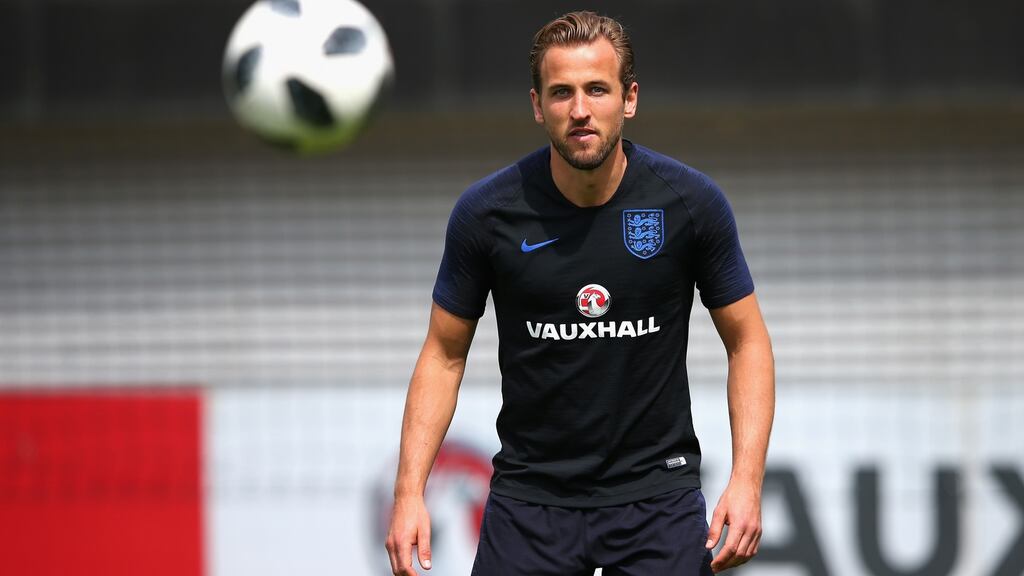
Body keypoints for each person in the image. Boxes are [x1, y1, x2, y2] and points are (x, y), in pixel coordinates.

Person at [385, 10, 774, 576]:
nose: (581, 110)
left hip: (656, 498)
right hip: (530, 501)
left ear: (629, 98)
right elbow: (444, 354)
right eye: (562, 93)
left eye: (597, 89)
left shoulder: (690, 203)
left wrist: (746, 480)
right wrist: (409, 493)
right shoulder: (486, 213)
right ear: (538, 106)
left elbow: (748, 341)